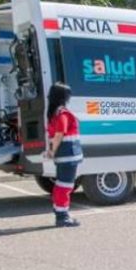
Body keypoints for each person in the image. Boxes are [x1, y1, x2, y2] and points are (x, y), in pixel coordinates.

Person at [44, 82, 83, 227]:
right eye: (68, 95)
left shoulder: (53, 113)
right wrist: (52, 151)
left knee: (61, 184)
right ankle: (63, 217)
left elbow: (54, 134)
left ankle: (59, 211)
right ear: (63, 97)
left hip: (63, 156)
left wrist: (51, 151)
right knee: (65, 186)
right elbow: (59, 134)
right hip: (69, 155)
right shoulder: (62, 113)